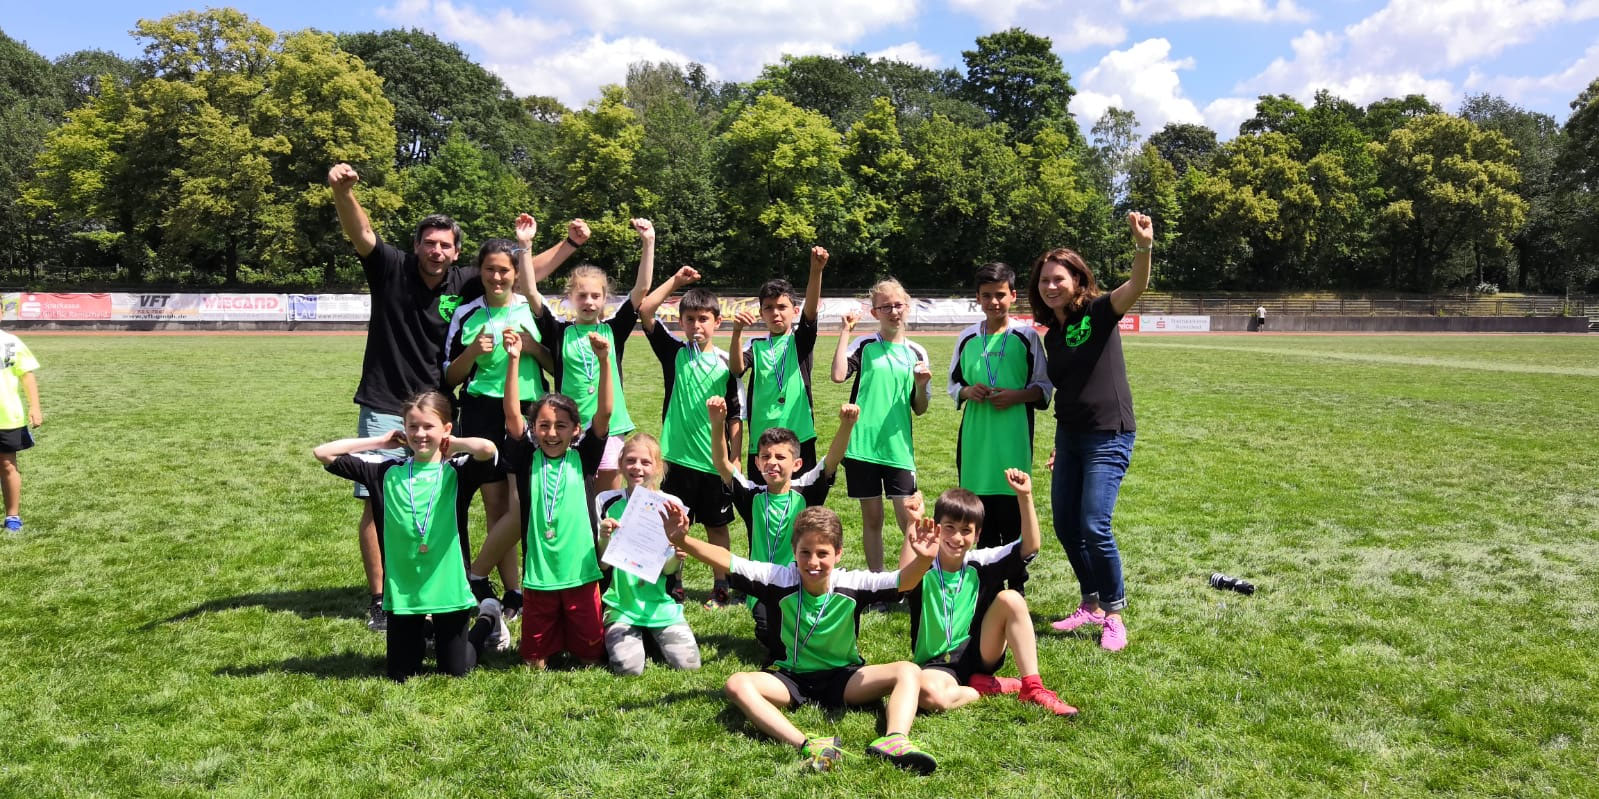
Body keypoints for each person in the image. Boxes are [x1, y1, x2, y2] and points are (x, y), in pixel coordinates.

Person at [328, 162, 583, 631]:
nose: (437, 251)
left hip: (439, 408)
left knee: (440, 499)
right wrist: (343, 192)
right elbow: (360, 232)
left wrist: (567, 244)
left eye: (445, 245)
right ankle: (381, 598)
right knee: (378, 499)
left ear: (456, 252)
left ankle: (448, 584)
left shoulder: (463, 281)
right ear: (416, 246)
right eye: (429, 243)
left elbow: (520, 273)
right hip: (386, 400)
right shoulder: (391, 266)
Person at [667, 503, 943, 774]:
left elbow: (903, 582)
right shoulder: (778, 578)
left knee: (908, 670)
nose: (813, 562)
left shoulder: (852, 583)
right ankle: (808, 744)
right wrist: (683, 540)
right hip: (790, 680)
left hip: (844, 678)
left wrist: (924, 560)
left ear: (838, 554)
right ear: (794, 551)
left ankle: (895, 740)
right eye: (805, 552)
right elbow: (727, 560)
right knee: (737, 684)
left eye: (823, 553)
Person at [313, 391, 505, 681]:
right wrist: (381, 442)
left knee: (456, 670)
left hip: (448, 586)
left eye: (429, 426)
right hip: (404, 591)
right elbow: (323, 453)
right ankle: (424, 630)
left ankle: (488, 618)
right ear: (403, 429)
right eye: (412, 426)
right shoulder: (386, 471)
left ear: (446, 428)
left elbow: (487, 449)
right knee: (402, 674)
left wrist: (453, 444)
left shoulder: (457, 471)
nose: (420, 433)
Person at [1029, 211, 1154, 652]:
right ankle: (1091, 602)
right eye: (1044, 280)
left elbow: (1136, 286)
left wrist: (1143, 246)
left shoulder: (1098, 312)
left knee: (1094, 524)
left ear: (1077, 280)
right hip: (1070, 437)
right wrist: (1059, 446)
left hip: (1108, 433)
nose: (1051, 286)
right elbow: (1069, 390)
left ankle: (1114, 615)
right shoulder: (1053, 335)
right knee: (1066, 524)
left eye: (1058, 278)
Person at [442, 222, 555, 627]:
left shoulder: (534, 309)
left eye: (504, 269)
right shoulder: (467, 313)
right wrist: (472, 351)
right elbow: (450, 377)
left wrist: (533, 347)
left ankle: (499, 578)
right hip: (481, 413)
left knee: (525, 502)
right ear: (481, 270)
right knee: (496, 504)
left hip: (529, 410)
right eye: (489, 269)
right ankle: (512, 591)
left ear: (515, 272)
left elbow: (556, 365)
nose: (496, 276)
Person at [479, 328, 613, 668]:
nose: (552, 433)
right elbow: (511, 414)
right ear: (533, 428)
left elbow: (605, 414)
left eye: (561, 426)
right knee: (534, 662)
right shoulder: (526, 458)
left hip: (582, 573)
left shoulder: (583, 458)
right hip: (539, 577)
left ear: (576, 430)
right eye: (544, 425)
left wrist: (604, 361)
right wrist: (513, 360)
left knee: (590, 659)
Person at [905, 474, 1077, 717]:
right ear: (937, 528)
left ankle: (1032, 687)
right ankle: (980, 688)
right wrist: (912, 522)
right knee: (927, 695)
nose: (957, 537)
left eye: (966, 530)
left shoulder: (981, 562)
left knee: (1011, 599)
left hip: (982, 652)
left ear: (977, 535)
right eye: (950, 527)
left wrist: (1025, 496)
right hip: (937, 665)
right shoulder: (924, 565)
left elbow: (1030, 546)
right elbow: (903, 580)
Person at [636, 268, 744, 608]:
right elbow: (645, 310)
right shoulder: (674, 353)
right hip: (675, 459)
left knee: (717, 527)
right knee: (673, 525)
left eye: (703, 319)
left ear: (717, 322)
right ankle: (674, 582)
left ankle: (721, 585)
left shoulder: (728, 364)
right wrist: (676, 282)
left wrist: (735, 457)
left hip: (714, 462)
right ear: (681, 322)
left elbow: (737, 415)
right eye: (690, 319)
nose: (697, 325)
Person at [706, 396, 856, 637]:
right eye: (766, 457)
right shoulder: (751, 495)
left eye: (780, 457)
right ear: (757, 462)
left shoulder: (805, 490)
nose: (772, 463)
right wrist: (717, 424)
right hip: (763, 584)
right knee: (770, 633)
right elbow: (722, 463)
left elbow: (832, 459)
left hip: (800, 583)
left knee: (811, 633)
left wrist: (846, 425)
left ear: (797, 464)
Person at [524, 218, 654, 496]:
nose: (589, 302)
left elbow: (642, 289)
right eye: (582, 296)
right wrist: (525, 245)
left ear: (605, 298)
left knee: (605, 501)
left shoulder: (613, 329)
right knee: (573, 497)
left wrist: (648, 242)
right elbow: (530, 290)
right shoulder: (559, 332)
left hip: (610, 425)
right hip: (568, 427)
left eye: (596, 296)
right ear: (570, 297)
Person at [946, 262, 1051, 593]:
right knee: (979, 519)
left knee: (1013, 518)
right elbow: (953, 384)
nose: (994, 302)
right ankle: (985, 588)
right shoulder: (967, 337)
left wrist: (1016, 395)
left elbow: (1044, 388)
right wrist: (968, 392)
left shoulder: (1026, 336)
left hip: (1013, 441)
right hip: (976, 444)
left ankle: (1016, 587)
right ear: (977, 298)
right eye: (987, 295)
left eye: (1000, 295)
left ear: (1013, 296)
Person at [830, 280, 932, 578]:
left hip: (898, 447)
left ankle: (910, 581)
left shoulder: (916, 352)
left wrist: (921, 386)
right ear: (875, 312)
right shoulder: (864, 345)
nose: (893, 311)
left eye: (898, 305)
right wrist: (845, 331)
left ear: (907, 307)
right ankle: (877, 582)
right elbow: (838, 375)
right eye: (885, 307)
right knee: (872, 519)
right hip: (862, 445)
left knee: (909, 519)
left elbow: (920, 407)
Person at [594, 434, 702, 676]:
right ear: (620, 463)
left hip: (660, 605)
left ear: (658, 466)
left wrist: (677, 555)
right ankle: (635, 635)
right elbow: (603, 566)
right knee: (629, 669)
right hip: (622, 605)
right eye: (630, 460)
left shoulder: (672, 504)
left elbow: (669, 570)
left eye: (646, 462)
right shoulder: (606, 501)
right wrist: (604, 537)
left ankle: (651, 635)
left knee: (689, 665)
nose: (637, 467)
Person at [729, 246, 829, 485]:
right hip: (762, 440)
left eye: (782, 307)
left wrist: (816, 271)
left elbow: (811, 311)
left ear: (794, 311)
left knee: (801, 499)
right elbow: (736, 369)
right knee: (762, 499)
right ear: (761, 313)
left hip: (799, 436)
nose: (775, 313)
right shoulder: (756, 345)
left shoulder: (800, 341)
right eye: (769, 308)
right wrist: (737, 332)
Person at [0, 328, 42, 533]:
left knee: (7, 464)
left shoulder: (10, 342)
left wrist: (35, 407)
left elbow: (26, 374)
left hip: (6, 415)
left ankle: (12, 516)